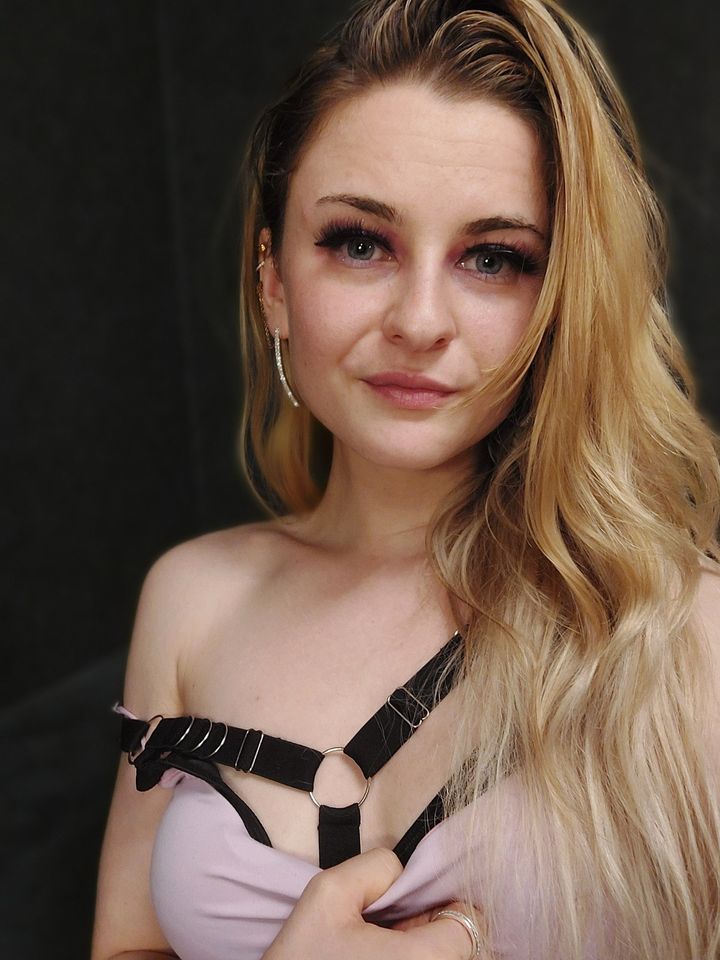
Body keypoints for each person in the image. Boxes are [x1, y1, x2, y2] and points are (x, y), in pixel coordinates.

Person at [91, 0, 720, 958]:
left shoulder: (677, 625)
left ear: (563, 299)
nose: (420, 321)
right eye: (360, 243)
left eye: (494, 259)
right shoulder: (193, 600)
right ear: (272, 279)